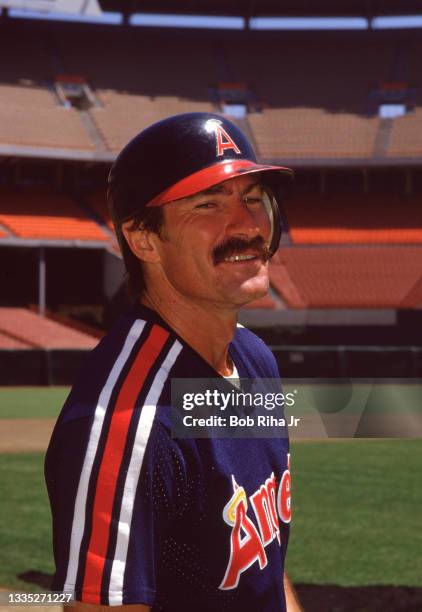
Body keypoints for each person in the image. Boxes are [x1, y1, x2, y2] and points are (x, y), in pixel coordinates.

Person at [45, 112, 302, 612]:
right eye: (208, 204)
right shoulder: (129, 426)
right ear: (143, 239)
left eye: (253, 199)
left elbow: (261, 561)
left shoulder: (254, 358)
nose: (248, 224)